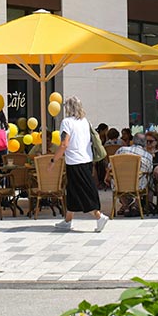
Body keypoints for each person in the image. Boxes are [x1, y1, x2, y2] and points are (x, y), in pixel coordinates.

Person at [57, 96, 108, 232]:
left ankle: (99, 217)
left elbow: (64, 144)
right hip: (86, 160)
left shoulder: (66, 122)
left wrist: (53, 160)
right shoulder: (85, 121)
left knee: (82, 192)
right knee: (73, 192)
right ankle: (67, 221)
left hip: (74, 162)